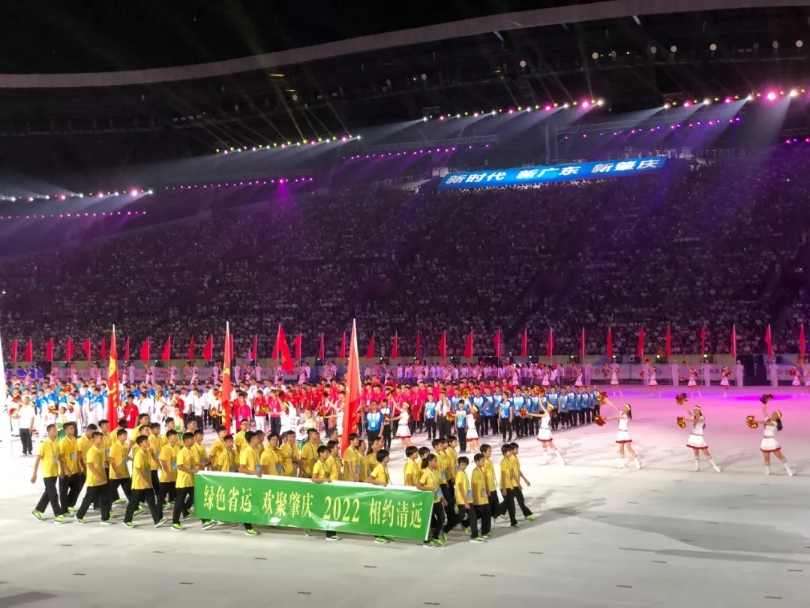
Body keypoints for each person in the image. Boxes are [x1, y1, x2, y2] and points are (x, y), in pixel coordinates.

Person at [124, 436, 166, 528]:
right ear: (141, 444)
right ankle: (127, 520)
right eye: (146, 441)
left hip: (147, 483)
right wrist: (145, 482)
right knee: (133, 503)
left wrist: (159, 465)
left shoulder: (147, 452)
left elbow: (153, 456)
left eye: (147, 441)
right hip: (139, 484)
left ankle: (157, 520)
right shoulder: (139, 455)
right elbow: (138, 470)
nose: (148, 442)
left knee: (151, 502)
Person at [74, 431, 114, 525]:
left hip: (102, 479)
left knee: (105, 498)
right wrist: (97, 476)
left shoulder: (100, 450)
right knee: (88, 499)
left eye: (102, 438)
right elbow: (90, 465)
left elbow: (102, 464)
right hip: (94, 480)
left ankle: (105, 518)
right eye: (99, 438)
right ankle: (79, 515)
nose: (101, 439)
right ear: (93, 439)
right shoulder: (91, 451)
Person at [30, 424, 67, 523]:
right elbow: (38, 459)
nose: (56, 432)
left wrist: (62, 470)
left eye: (56, 430)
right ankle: (58, 514)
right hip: (47, 473)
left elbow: (59, 458)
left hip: (54, 472)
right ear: (49, 432)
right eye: (53, 430)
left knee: (48, 493)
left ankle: (36, 510)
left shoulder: (57, 442)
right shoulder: (44, 444)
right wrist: (34, 474)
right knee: (53, 494)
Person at [678, 402, 721, 473]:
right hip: (693, 436)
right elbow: (688, 411)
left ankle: (714, 466)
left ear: (699, 411)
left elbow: (696, 421)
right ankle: (697, 467)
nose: (694, 411)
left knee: (706, 452)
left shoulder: (702, 417)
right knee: (696, 453)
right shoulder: (692, 416)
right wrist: (683, 403)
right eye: (694, 410)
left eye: (696, 410)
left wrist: (686, 419)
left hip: (699, 437)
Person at [755, 398, 793, 476]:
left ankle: (788, 469)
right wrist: (764, 404)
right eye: (773, 413)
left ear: (777, 417)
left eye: (775, 414)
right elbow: (764, 412)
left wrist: (756, 421)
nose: (773, 414)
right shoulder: (768, 419)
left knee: (779, 456)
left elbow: (765, 423)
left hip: (771, 441)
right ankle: (768, 470)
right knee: (766, 457)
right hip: (765, 441)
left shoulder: (774, 423)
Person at [311, 445, 340, 541]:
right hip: (320, 491)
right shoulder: (317, 465)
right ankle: (329, 534)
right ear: (321, 454)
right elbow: (314, 478)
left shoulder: (326, 464)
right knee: (326, 511)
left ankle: (330, 532)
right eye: (326, 453)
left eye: (328, 453)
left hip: (326, 491)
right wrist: (325, 479)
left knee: (328, 511)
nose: (328, 455)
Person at [172, 432, 200, 531]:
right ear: (186, 441)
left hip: (191, 481)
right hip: (183, 482)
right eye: (192, 439)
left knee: (196, 499)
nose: (193, 441)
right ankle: (175, 522)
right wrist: (191, 471)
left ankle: (205, 520)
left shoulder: (191, 451)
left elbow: (192, 464)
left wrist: (200, 465)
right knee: (179, 503)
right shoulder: (182, 452)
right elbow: (179, 466)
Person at [416, 453, 445, 548]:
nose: (436, 463)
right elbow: (419, 486)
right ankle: (426, 540)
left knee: (442, 518)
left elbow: (438, 487)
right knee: (428, 521)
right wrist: (429, 489)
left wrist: (442, 498)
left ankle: (435, 536)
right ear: (429, 462)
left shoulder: (436, 472)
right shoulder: (426, 473)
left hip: (437, 500)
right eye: (435, 461)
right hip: (429, 501)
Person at [237, 431, 261, 536]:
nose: (258, 439)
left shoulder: (255, 450)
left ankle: (247, 520)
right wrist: (253, 472)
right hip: (247, 482)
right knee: (247, 503)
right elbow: (241, 468)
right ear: (250, 440)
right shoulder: (246, 452)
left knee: (254, 502)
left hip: (254, 481)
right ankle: (248, 527)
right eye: (255, 438)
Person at [455, 456, 484, 543]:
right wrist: (465, 502)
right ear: (459, 465)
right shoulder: (459, 474)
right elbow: (460, 488)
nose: (463, 466)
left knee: (473, 517)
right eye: (461, 465)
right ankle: (447, 528)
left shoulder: (464, 473)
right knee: (460, 517)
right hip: (463, 501)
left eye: (465, 465)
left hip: (468, 500)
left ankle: (474, 535)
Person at [605, 402, 641, 470]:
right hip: (620, 433)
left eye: (625, 407)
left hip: (625, 433)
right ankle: (622, 464)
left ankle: (637, 462)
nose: (624, 408)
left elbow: (616, 417)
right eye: (624, 407)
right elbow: (616, 407)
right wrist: (608, 402)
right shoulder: (621, 412)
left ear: (628, 410)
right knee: (621, 449)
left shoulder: (626, 416)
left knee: (629, 448)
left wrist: (608, 417)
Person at [58, 422, 81, 513]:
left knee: (76, 488)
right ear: (66, 430)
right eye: (71, 428)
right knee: (63, 491)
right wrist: (63, 470)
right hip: (65, 471)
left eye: (73, 428)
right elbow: (60, 458)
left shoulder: (74, 439)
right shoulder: (62, 442)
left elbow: (76, 454)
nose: (73, 430)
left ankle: (70, 504)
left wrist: (78, 466)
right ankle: (64, 510)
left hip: (74, 469)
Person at [497, 444, 519, 528]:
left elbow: (512, 473)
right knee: (509, 504)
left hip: (510, 485)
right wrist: (504, 489)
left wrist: (518, 483)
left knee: (510, 504)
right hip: (505, 486)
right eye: (509, 451)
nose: (511, 452)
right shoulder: (503, 462)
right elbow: (503, 475)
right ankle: (497, 514)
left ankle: (512, 521)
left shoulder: (509, 460)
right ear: (505, 453)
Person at [471, 453, 492, 539]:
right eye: (482, 461)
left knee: (487, 513)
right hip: (479, 498)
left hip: (484, 497)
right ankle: (469, 525)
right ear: (477, 462)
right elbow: (474, 486)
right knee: (480, 514)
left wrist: (487, 490)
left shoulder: (482, 471)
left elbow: (485, 482)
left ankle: (486, 531)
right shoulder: (475, 472)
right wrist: (475, 498)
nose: (484, 462)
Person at [109, 428, 132, 503]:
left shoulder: (126, 445)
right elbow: (112, 460)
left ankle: (134, 504)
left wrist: (129, 458)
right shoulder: (114, 446)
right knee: (111, 489)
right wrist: (116, 471)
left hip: (124, 471)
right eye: (124, 435)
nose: (125, 437)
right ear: (118, 436)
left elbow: (124, 457)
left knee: (128, 488)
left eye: (126, 435)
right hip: (116, 472)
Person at [158, 430, 179, 507]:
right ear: (169, 437)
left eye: (176, 436)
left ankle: (184, 511)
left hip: (175, 475)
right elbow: (163, 463)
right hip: (166, 477)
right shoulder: (165, 448)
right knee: (161, 497)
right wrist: (169, 474)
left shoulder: (177, 447)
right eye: (174, 436)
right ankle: (158, 512)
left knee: (178, 496)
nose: (176, 438)